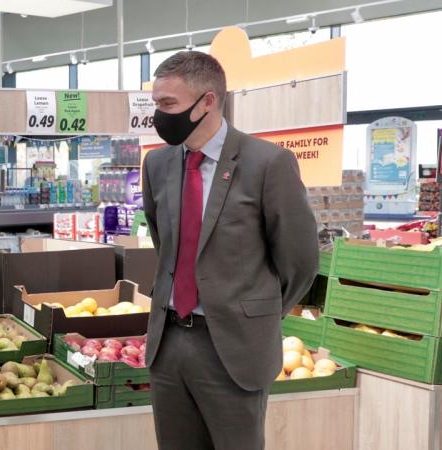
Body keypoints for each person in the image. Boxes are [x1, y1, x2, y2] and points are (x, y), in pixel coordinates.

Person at [141, 51, 318, 450]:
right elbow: (164, 242)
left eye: (168, 104)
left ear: (207, 101)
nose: (159, 115)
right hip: (168, 343)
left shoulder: (267, 163)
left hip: (233, 349)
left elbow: (300, 261)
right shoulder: (157, 165)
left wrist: (253, 309)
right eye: (156, 104)